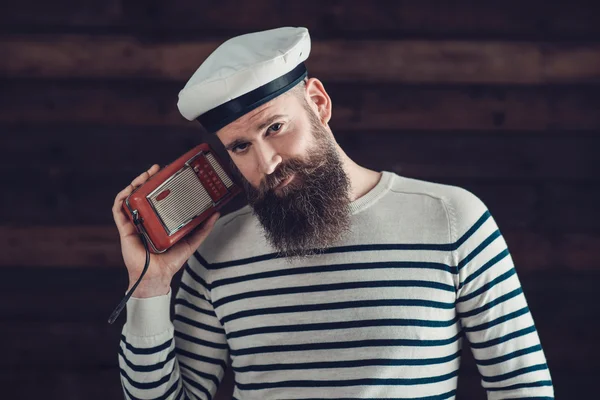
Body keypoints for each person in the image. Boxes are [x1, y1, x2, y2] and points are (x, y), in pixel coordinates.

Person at [113, 27, 554, 399]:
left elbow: (523, 387)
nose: (266, 162)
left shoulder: (453, 219)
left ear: (318, 103)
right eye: (241, 146)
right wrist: (150, 286)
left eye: (275, 127)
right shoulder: (215, 251)